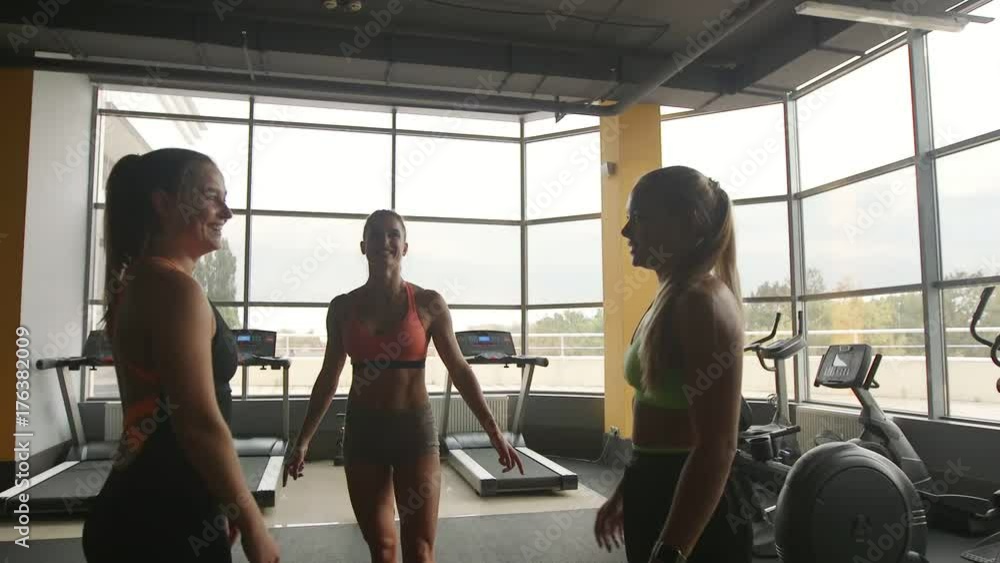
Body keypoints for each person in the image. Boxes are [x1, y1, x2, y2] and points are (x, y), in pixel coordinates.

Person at [283, 209, 524, 563]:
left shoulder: (429, 304)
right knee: (382, 550)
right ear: (363, 246)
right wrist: (303, 440)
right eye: (376, 235)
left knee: (420, 550)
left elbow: (459, 369)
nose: (385, 242)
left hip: (414, 432)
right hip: (364, 433)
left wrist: (494, 432)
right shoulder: (342, 308)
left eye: (393, 234)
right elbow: (328, 378)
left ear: (405, 246)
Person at [82, 149, 280, 563]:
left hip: (148, 507)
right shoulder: (175, 290)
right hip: (164, 519)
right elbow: (198, 423)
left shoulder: (140, 280)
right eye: (211, 196)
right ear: (163, 203)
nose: (227, 212)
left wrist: (221, 499)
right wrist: (252, 521)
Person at [594, 166, 750, 563]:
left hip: (693, 494)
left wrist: (673, 549)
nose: (626, 231)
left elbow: (718, 447)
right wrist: (629, 489)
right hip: (655, 478)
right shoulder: (670, 296)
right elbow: (656, 418)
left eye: (639, 218)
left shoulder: (701, 303)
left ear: (688, 221)